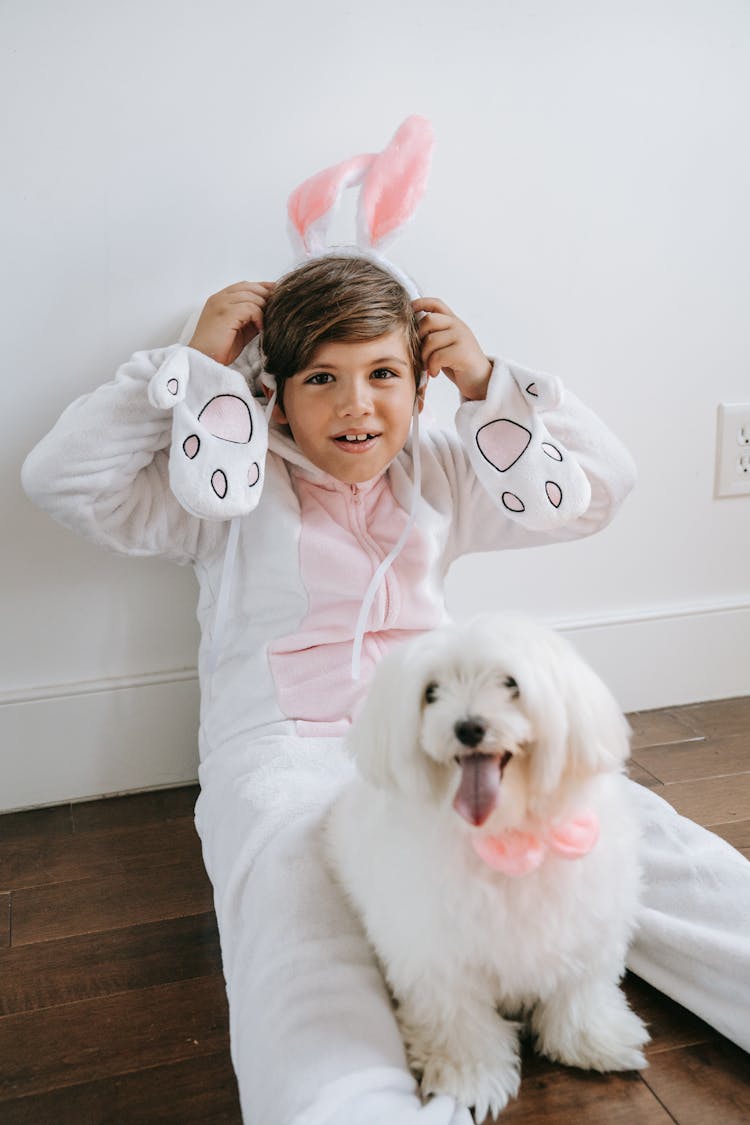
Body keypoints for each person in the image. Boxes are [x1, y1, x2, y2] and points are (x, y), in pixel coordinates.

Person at [21, 255, 750, 1125]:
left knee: (631, 836)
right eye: (321, 378)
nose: (356, 405)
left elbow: (601, 489)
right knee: (300, 914)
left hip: (450, 729)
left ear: (420, 385)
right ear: (275, 393)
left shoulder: (440, 471)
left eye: (383, 375)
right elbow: (59, 479)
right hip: (285, 748)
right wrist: (189, 366)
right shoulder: (224, 489)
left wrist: (489, 384)